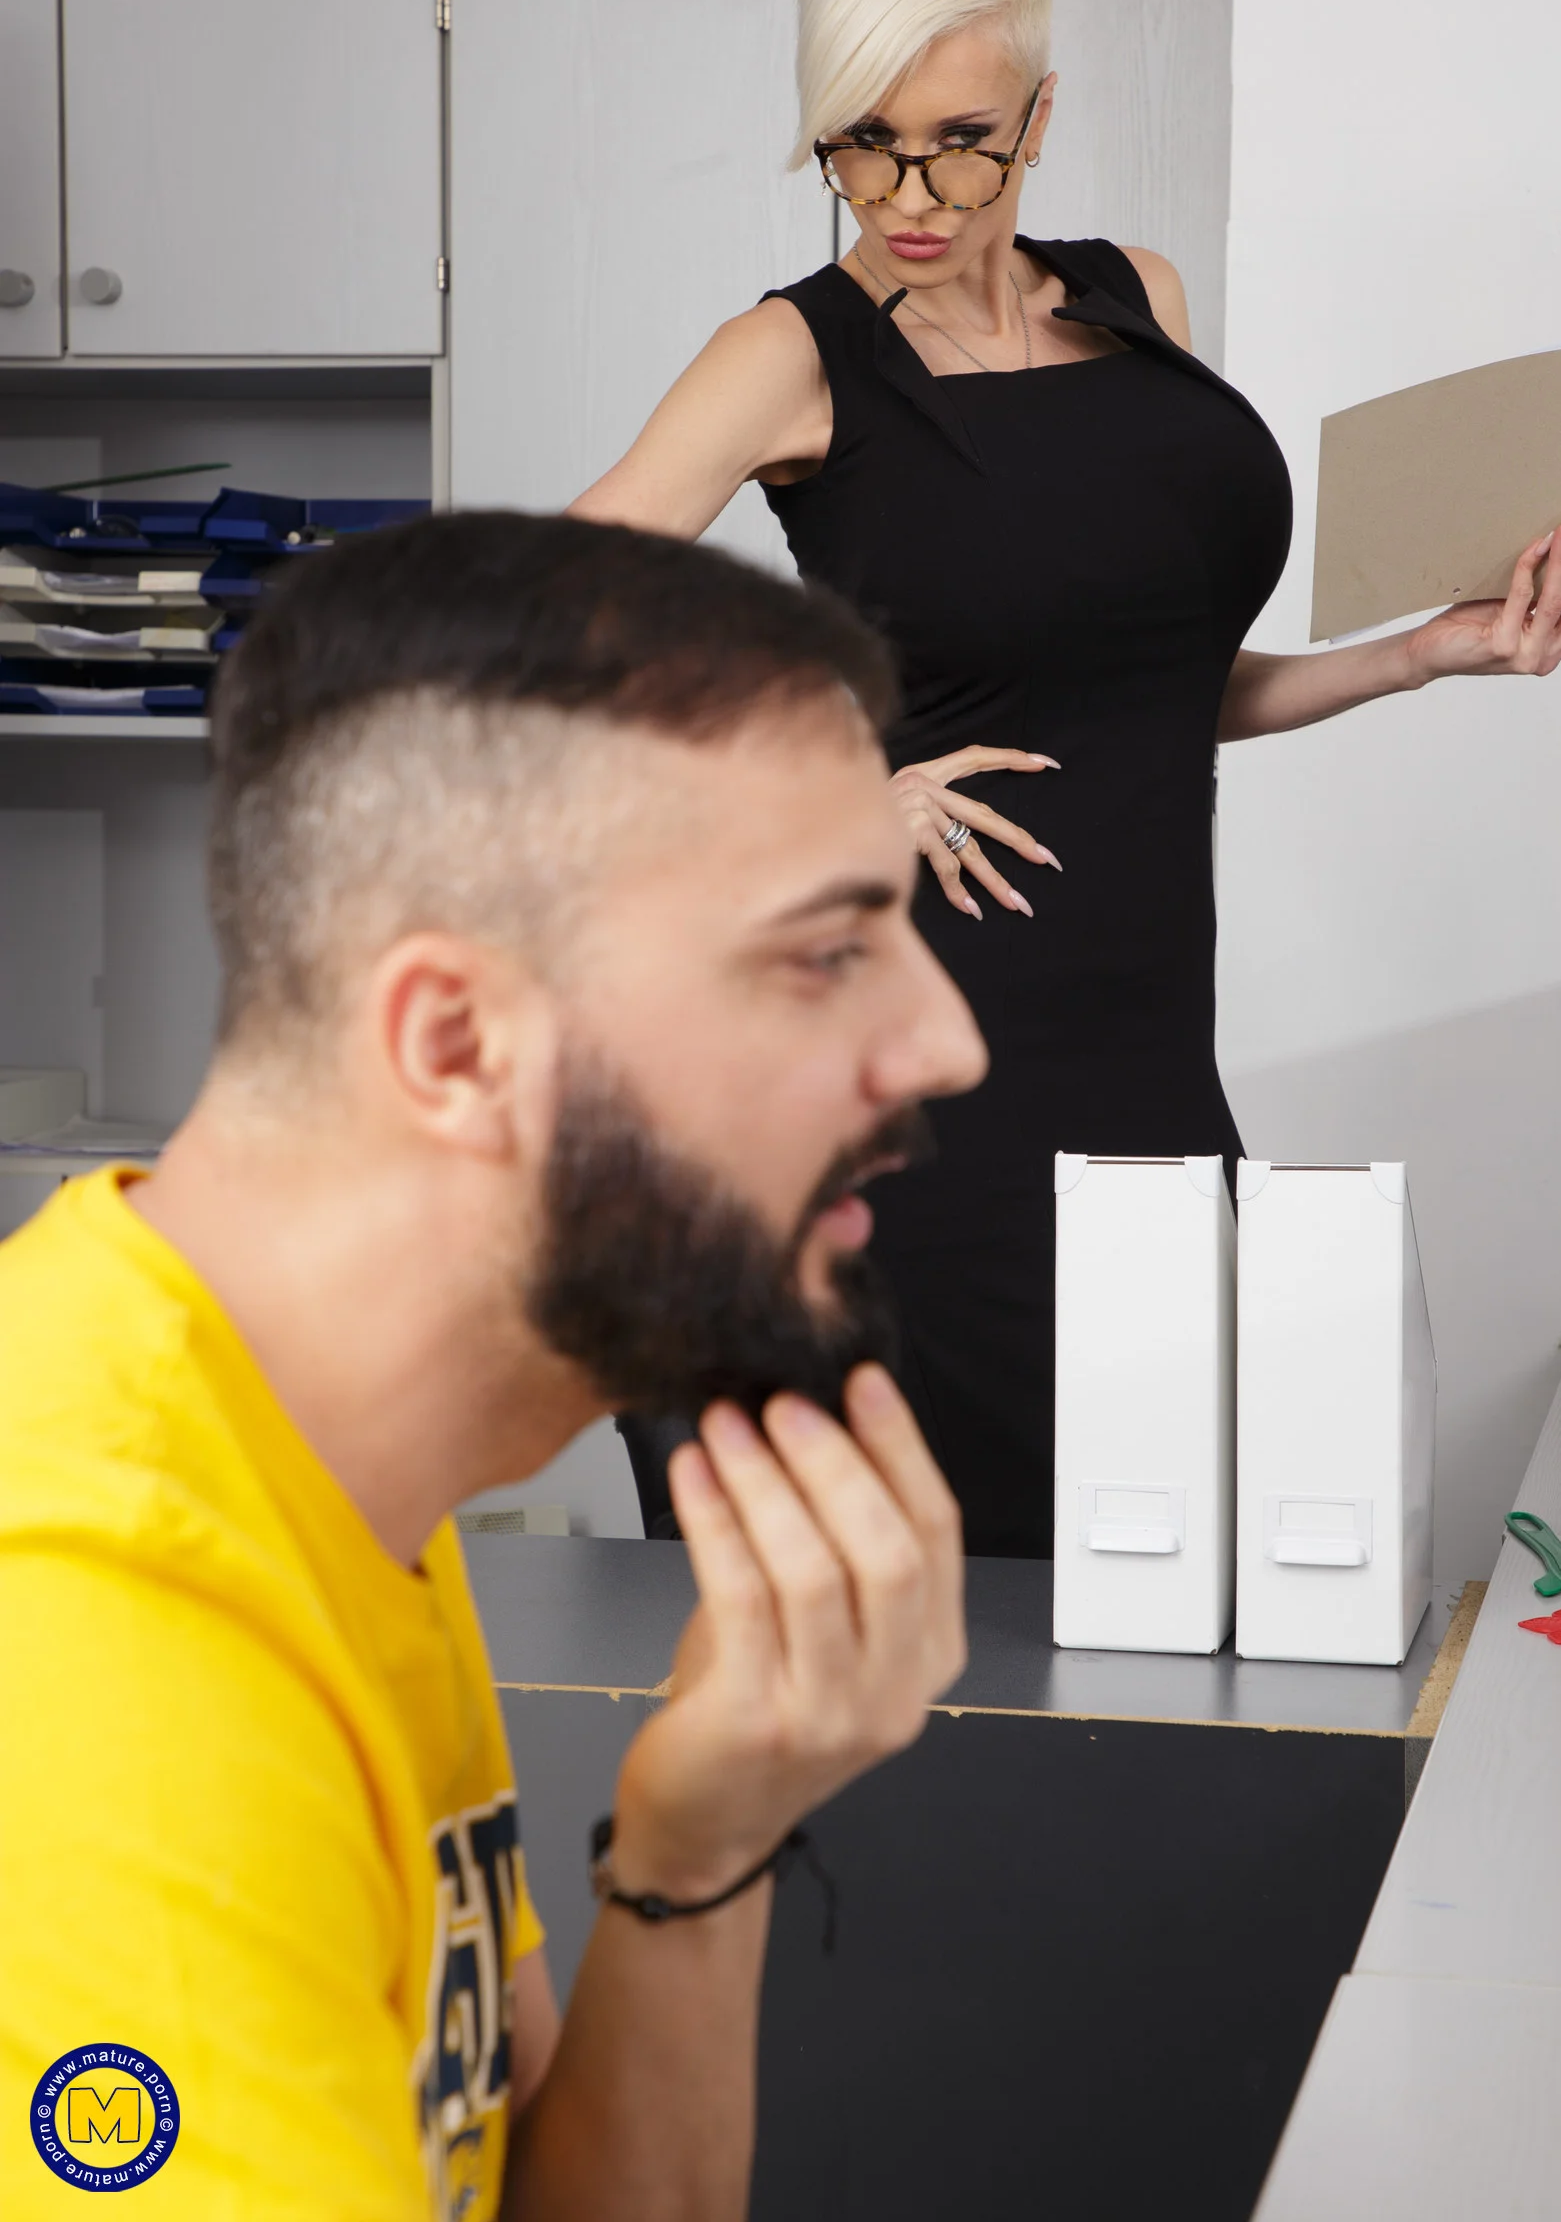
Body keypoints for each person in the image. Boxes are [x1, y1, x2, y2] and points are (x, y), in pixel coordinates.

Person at [570, 0, 1561, 1558]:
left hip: (1143, 1061)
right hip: (916, 1087)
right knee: (977, 1604)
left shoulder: (1138, 301)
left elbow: (1140, 694)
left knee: (1165, 1563)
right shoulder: (792, 355)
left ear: (1040, 115)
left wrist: (1414, 657)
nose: (910, 198)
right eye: (863, 146)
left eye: (961, 144)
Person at [0, 515, 983, 2219]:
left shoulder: (319, 1449)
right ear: (455, 1043)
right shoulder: (101, 1636)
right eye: (826, 953)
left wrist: (701, 1852)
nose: (945, 1042)